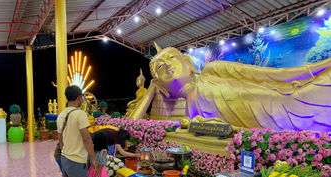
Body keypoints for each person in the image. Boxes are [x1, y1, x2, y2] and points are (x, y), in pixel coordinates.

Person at [128, 43, 331, 132]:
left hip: (281, 104)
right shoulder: (190, 117)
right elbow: (129, 126)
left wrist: (314, 69)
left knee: (300, 99)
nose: (168, 66)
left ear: (189, 62)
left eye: (172, 57)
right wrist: (152, 89)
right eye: (160, 68)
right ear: (162, 87)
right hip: (260, 127)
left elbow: (266, 75)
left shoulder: (212, 70)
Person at [57, 85, 98, 177]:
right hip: (76, 159)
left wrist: (64, 149)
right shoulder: (79, 114)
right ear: (79, 98)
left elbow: (59, 136)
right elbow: (86, 138)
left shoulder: (61, 114)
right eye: (82, 97)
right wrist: (93, 158)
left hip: (65, 158)